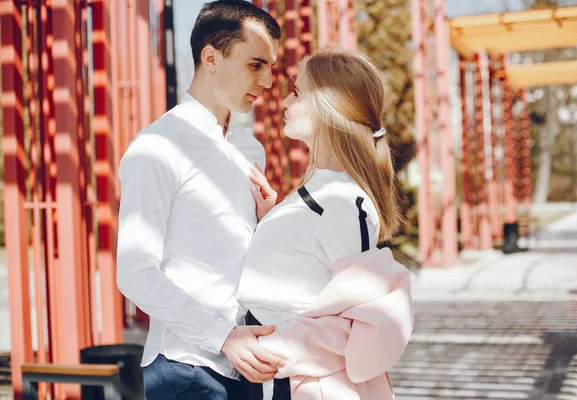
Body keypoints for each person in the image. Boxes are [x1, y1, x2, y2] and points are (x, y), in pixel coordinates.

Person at [116, 1, 287, 399]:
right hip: (187, 368)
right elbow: (135, 271)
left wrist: (267, 224)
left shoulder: (250, 150)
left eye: (271, 68)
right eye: (256, 64)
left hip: (247, 361)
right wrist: (222, 336)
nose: (267, 81)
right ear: (211, 57)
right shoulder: (157, 146)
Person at [237, 48, 414, 399]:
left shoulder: (345, 201)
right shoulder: (325, 193)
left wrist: (271, 348)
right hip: (281, 377)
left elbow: (364, 324)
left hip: (300, 384)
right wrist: (275, 220)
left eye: (298, 92)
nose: (285, 101)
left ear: (330, 105)